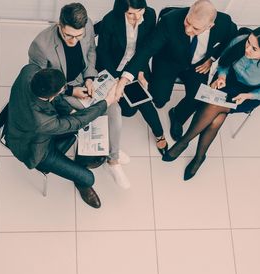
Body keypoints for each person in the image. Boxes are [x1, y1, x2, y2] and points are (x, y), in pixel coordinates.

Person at [28, 2, 130, 189]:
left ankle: (112, 159)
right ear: (59, 25)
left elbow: (91, 51)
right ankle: (101, 156)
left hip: (84, 79)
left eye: (78, 36)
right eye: (68, 35)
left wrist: (90, 77)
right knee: (89, 117)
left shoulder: (88, 24)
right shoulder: (41, 45)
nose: (73, 41)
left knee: (115, 108)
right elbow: (41, 83)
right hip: (61, 91)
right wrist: (69, 90)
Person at [115, 0, 237, 141]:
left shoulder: (225, 23)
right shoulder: (170, 21)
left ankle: (177, 116)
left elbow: (231, 38)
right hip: (168, 61)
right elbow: (146, 50)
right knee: (159, 99)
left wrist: (212, 58)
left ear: (210, 26)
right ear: (189, 11)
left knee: (197, 97)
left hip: (197, 66)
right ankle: (161, 98)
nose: (188, 30)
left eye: (195, 28)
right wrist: (125, 78)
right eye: (187, 22)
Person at [5, 64, 118, 208]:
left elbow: (56, 100)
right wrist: (106, 102)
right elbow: (76, 122)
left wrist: (68, 110)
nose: (64, 90)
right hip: (35, 149)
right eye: (61, 90)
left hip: (24, 121)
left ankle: (84, 160)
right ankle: (81, 176)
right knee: (88, 178)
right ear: (51, 95)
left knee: (85, 128)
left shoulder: (30, 70)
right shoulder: (41, 122)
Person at [162, 27, 260, 180]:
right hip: (229, 82)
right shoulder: (240, 40)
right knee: (216, 119)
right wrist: (221, 77)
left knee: (213, 106)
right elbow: (225, 61)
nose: (247, 49)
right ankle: (199, 157)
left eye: (254, 49)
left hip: (248, 95)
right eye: (248, 42)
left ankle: (184, 142)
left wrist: (248, 95)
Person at [96, 0, 168, 155]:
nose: (136, 18)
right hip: (112, 66)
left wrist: (140, 72)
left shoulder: (150, 15)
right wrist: (115, 79)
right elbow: (102, 52)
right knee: (126, 110)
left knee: (143, 100)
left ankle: (159, 133)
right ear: (121, 10)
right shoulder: (110, 20)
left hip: (137, 65)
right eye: (130, 13)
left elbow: (146, 48)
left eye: (140, 11)